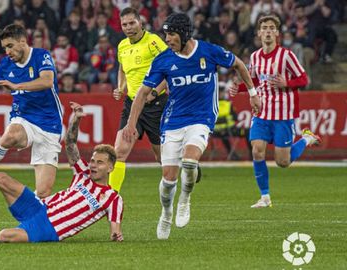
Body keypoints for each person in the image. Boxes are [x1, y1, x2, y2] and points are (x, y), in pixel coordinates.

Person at [121, 13, 261, 240]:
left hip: (202, 117)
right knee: (167, 181)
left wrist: (253, 94)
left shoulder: (208, 51)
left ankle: (185, 199)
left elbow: (239, 64)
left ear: (185, 34)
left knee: (189, 161)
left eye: (172, 34)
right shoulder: (164, 59)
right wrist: (130, 123)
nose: (168, 39)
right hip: (173, 121)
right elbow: (142, 93)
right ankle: (166, 213)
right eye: (166, 34)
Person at [0, 102, 123, 243]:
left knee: (7, 236)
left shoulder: (113, 198)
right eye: (92, 160)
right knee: (2, 179)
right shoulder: (83, 174)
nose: (93, 165)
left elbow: (115, 229)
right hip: (38, 207)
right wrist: (76, 119)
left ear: (110, 167)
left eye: (100, 162)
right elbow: (71, 143)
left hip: (50, 229)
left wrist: (116, 235)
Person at [228, 15, 321, 208]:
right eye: (265, 28)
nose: (268, 31)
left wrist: (287, 83)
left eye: (272, 28)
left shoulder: (286, 55)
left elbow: (304, 79)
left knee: (283, 162)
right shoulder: (254, 57)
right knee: (257, 151)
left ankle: (306, 139)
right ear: (259, 33)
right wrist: (240, 88)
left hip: (283, 115)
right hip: (261, 113)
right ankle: (265, 197)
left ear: (277, 33)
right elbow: (255, 82)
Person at [0, 24, 63, 199]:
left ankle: (30, 221)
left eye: (10, 46)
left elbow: (47, 81)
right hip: (23, 117)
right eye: (4, 48)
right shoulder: (6, 64)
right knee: (12, 134)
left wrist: (17, 86)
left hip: (50, 123)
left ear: (22, 41)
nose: (7, 52)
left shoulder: (41, 56)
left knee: (43, 192)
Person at [109, 7, 169, 193]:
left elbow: (170, 69)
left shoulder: (154, 42)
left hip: (156, 105)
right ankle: (111, 196)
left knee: (163, 159)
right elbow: (121, 69)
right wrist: (121, 87)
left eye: (132, 23)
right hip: (132, 104)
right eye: (124, 24)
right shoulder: (122, 46)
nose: (128, 27)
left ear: (140, 22)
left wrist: (155, 91)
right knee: (119, 152)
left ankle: (183, 176)